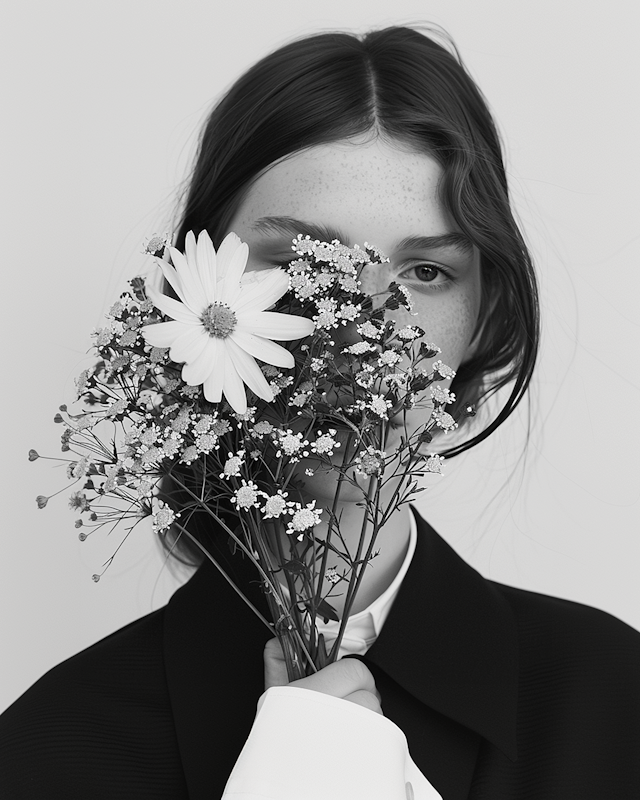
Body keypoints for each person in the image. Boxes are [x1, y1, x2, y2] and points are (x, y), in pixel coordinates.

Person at [1, 24, 639, 800]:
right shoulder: (56, 747)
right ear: (200, 292)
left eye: (427, 271)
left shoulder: (612, 704)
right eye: (303, 260)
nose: (358, 331)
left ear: (485, 318)